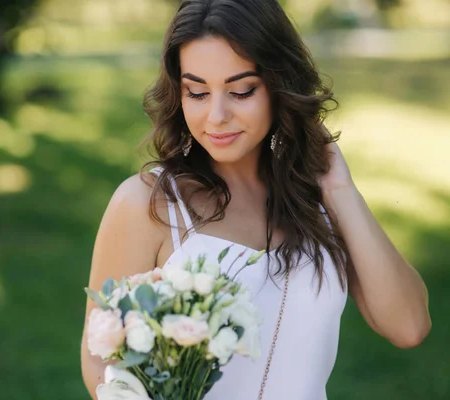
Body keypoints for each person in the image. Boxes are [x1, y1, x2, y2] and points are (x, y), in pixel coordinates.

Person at [80, 0, 431, 399]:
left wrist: (341, 192)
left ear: (280, 86)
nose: (216, 115)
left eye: (241, 90)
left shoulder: (315, 200)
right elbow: (99, 355)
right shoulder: (148, 204)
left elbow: (409, 326)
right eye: (197, 92)